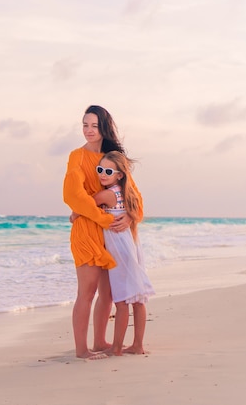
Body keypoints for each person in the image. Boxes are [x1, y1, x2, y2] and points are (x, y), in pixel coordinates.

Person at [63, 105, 143, 359]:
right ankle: (81, 350)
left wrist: (130, 216)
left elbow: (133, 195)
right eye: (85, 125)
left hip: (112, 235)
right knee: (86, 292)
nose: (88, 130)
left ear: (104, 128)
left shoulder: (113, 157)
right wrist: (97, 215)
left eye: (94, 125)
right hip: (88, 230)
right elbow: (73, 194)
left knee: (108, 293)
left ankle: (99, 341)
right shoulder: (76, 156)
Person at [93, 151, 154, 355]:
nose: (102, 174)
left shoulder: (108, 194)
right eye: (99, 169)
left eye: (108, 171)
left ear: (119, 175)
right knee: (138, 299)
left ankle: (117, 348)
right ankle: (137, 345)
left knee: (121, 301)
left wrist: (75, 214)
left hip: (120, 253)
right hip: (132, 248)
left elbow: (84, 205)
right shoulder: (127, 194)